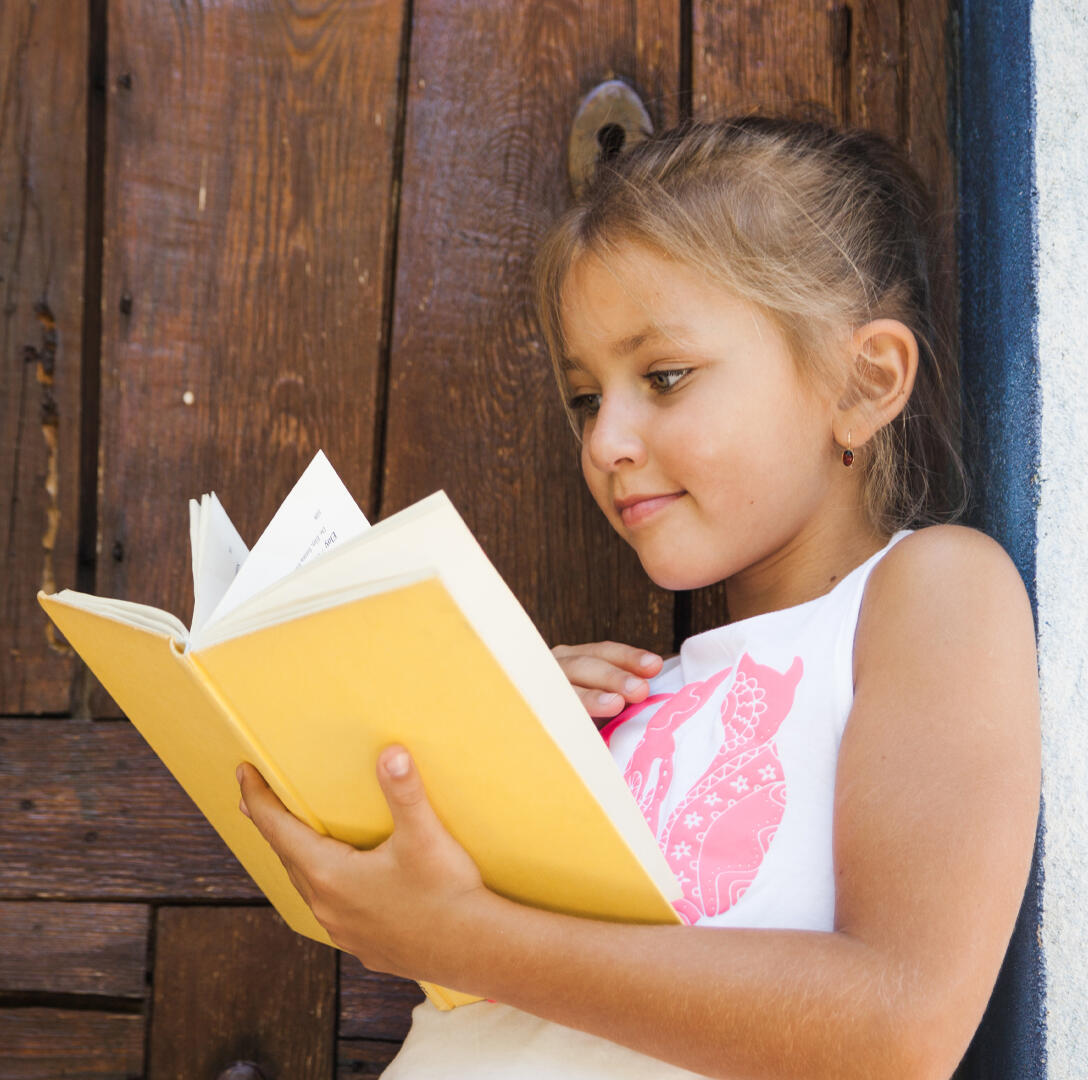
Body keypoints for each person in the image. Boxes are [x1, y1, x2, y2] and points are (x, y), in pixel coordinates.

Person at [235, 113, 1040, 1079]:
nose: (606, 441)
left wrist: (462, 938)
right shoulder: (631, 693)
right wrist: (500, 748)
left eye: (664, 377)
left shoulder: (928, 592)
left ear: (863, 381)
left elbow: (898, 1028)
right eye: (586, 398)